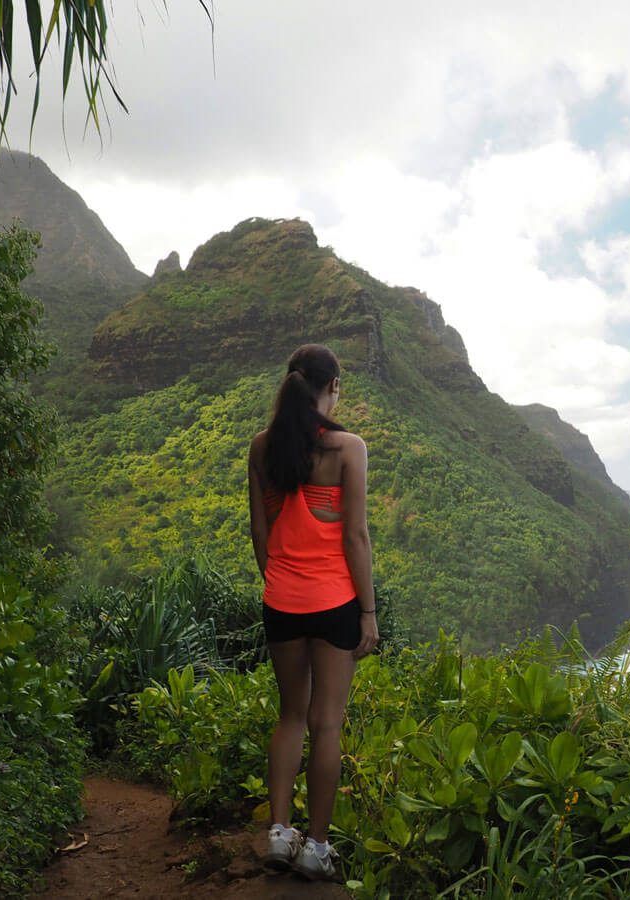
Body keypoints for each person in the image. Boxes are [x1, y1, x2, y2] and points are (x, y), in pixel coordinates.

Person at [247, 344, 379, 881]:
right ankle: (316, 848)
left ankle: (279, 834)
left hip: (281, 601)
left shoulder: (261, 448)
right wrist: (367, 612)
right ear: (332, 388)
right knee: (327, 723)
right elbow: (355, 536)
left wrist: (279, 581)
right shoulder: (348, 448)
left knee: (290, 717)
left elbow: (260, 532)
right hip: (336, 604)